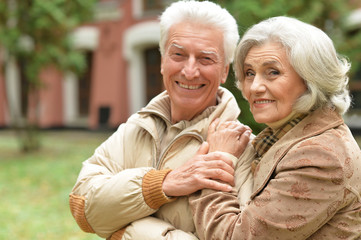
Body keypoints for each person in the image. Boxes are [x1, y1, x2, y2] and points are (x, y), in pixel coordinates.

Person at [69, 1, 254, 239]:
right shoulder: (137, 127)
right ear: (162, 61)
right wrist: (162, 185)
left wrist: (126, 233)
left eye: (205, 59)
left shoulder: (242, 149)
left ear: (225, 71)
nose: (189, 71)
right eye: (178, 54)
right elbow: (82, 209)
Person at [189, 16, 361, 239]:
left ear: (311, 79)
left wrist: (217, 162)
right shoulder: (286, 136)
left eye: (273, 72)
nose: (255, 87)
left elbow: (234, 236)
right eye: (250, 73)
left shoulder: (320, 156)